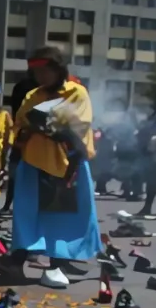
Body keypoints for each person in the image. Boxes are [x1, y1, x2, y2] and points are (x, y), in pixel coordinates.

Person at [9, 47, 100, 266]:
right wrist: (32, 127)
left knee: (62, 218)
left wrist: (47, 125)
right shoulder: (33, 95)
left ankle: (57, 266)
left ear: (58, 69)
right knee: (27, 215)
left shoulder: (76, 92)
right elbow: (20, 123)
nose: (41, 76)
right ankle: (18, 259)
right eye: (37, 72)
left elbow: (78, 125)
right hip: (32, 164)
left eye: (45, 71)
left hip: (66, 165)